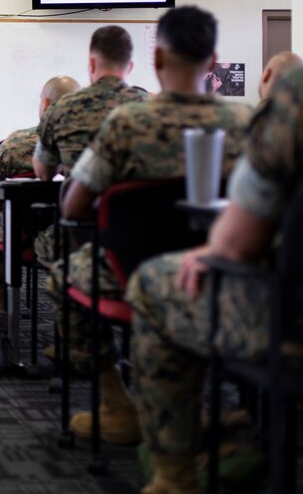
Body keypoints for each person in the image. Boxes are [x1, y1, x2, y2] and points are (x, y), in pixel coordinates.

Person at [56, 6, 251, 446]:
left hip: (130, 270)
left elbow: (75, 202)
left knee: (62, 277)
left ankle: (118, 405)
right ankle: (235, 411)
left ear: (157, 61)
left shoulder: (127, 124)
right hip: (227, 278)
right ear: (215, 62)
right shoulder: (245, 123)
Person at [126, 66, 303, 493]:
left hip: (292, 322)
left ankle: (175, 473)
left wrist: (214, 248)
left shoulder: (293, 98)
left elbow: (239, 244)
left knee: (153, 282)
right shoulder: (239, 117)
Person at [0, 75, 79, 305]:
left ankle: (2, 311)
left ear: (45, 104)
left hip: (21, 234)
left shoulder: (15, 143)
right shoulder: (94, 141)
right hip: (79, 236)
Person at [33, 25, 150, 182]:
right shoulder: (152, 107)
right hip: (140, 206)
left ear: (92, 63)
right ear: (130, 67)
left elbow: (44, 173)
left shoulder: (62, 107)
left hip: (82, 204)